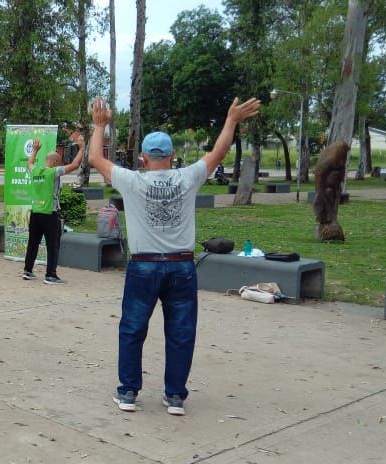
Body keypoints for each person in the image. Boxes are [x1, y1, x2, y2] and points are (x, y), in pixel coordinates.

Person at [87, 95, 260, 416]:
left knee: (133, 328)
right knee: (181, 332)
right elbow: (218, 152)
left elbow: (95, 158)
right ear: (171, 156)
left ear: (142, 158)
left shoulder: (132, 180)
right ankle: (175, 396)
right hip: (181, 267)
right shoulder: (187, 178)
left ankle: (127, 392)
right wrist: (231, 120)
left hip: (143, 267)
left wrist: (100, 125)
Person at [21, 131, 85, 284]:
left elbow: (29, 163)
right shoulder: (54, 172)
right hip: (50, 213)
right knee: (53, 245)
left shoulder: (35, 170)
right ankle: (50, 275)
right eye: (60, 161)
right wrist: (82, 148)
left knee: (33, 243)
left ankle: (27, 271)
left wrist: (35, 150)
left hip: (35, 213)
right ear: (56, 162)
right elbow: (75, 165)